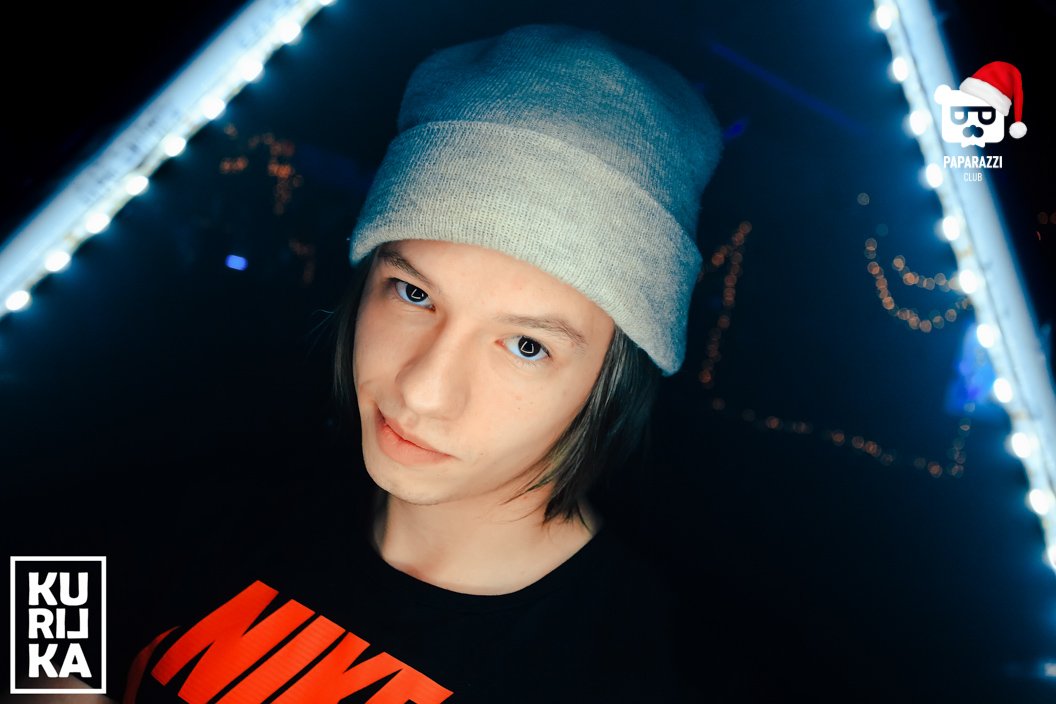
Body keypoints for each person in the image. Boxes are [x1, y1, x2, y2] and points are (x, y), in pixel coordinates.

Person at [117, 21, 723, 703]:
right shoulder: (236, 484)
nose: (423, 391)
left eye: (527, 346)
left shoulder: (635, 669)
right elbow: (47, 572)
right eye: (414, 293)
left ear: (611, 383)